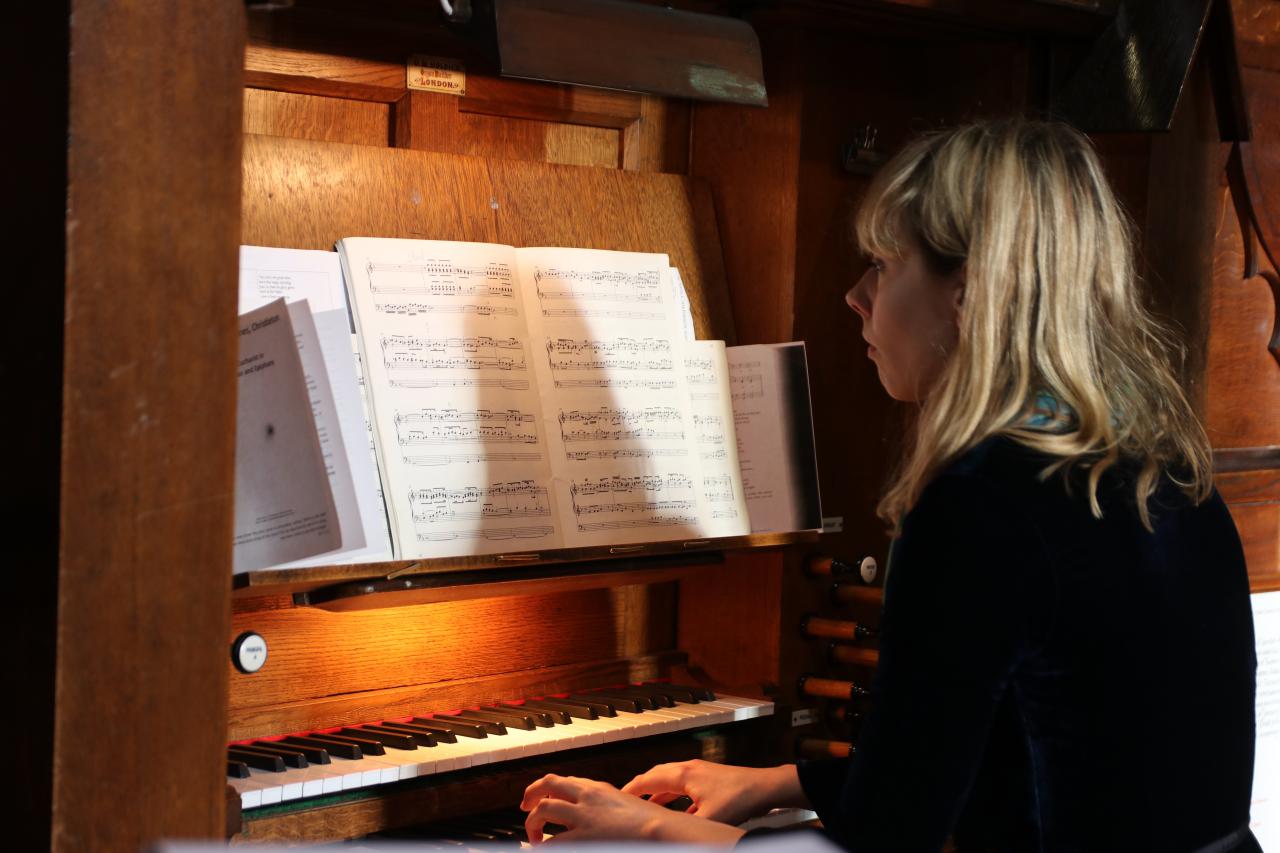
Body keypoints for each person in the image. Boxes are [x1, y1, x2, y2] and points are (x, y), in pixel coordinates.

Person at [519, 118, 1260, 851]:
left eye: (882, 262)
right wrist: (784, 781)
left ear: (968, 292)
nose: (855, 295)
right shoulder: (1160, 462)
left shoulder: (980, 500)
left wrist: (648, 829)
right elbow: (1006, 758)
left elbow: (891, 838)